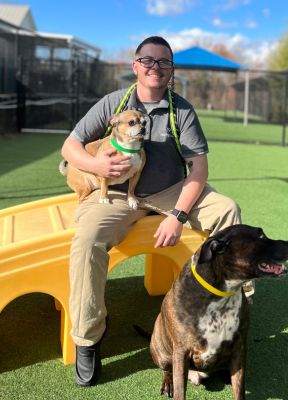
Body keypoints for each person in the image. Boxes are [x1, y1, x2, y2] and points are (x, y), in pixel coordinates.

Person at [61, 36, 246, 387]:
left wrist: (177, 215)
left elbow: (199, 170)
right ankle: (88, 338)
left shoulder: (182, 110)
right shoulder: (114, 103)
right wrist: (95, 165)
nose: (155, 67)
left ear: (171, 70)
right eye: (148, 60)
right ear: (135, 65)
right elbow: (70, 146)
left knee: (228, 211)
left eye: (163, 62)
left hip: (171, 191)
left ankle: (231, 321)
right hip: (115, 194)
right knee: (86, 241)